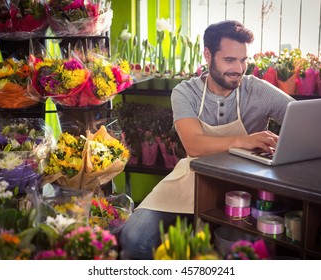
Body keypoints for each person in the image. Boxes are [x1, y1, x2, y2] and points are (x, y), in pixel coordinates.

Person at [119, 20, 295, 259]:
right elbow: (195, 145)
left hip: (246, 184)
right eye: (229, 60)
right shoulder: (185, 92)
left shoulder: (258, 90)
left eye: (243, 60)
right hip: (192, 179)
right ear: (208, 55)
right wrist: (245, 140)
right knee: (134, 238)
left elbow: (301, 120)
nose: (239, 69)